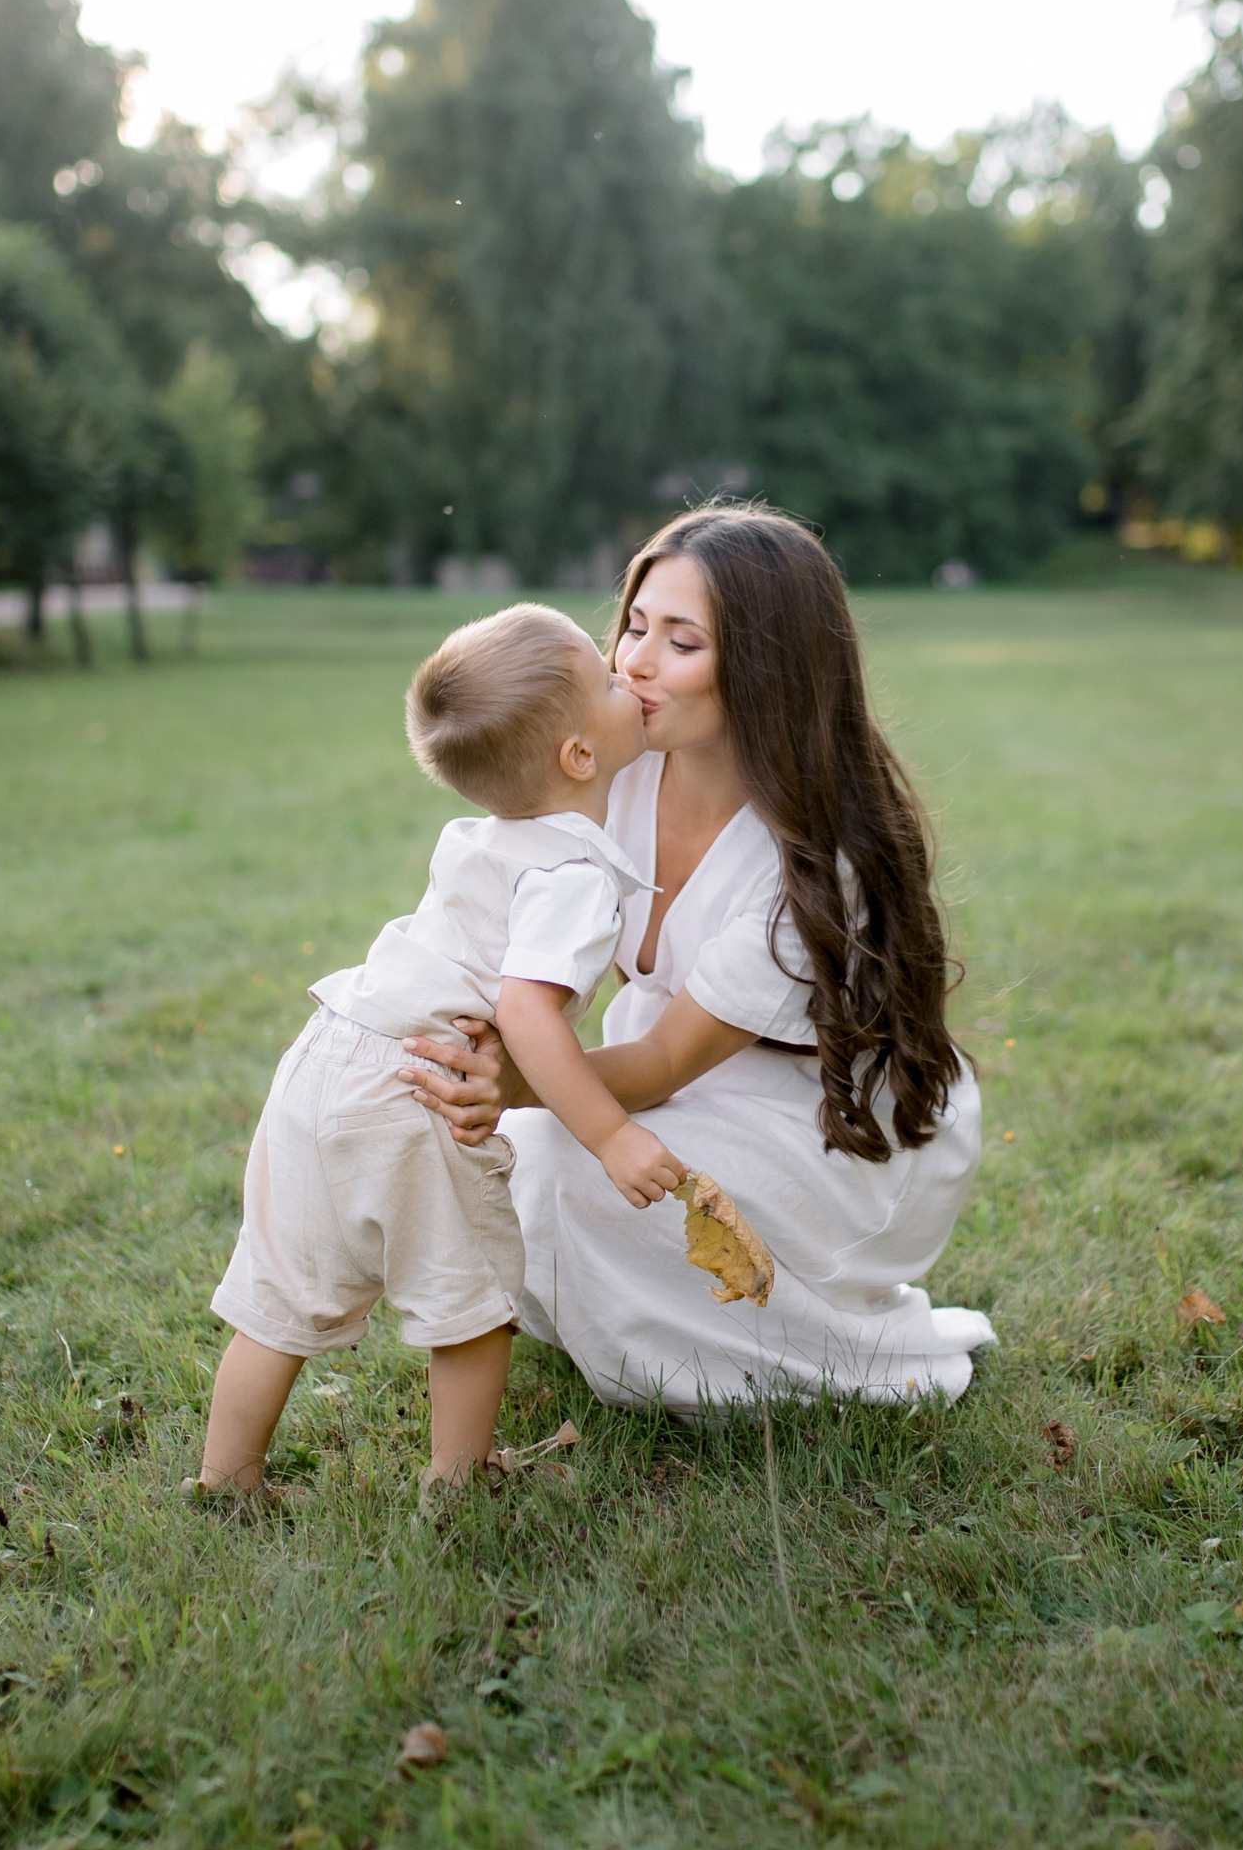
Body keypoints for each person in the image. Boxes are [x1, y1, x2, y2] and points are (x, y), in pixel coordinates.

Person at [410, 506, 992, 1412]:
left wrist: (511, 1085)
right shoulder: (616, 766)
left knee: (561, 1157)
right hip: (679, 1083)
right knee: (513, 1153)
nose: (634, 661)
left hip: (825, 1123)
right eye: (635, 626)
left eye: (681, 642)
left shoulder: (808, 859)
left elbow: (662, 1062)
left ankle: (826, 1355)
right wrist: (476, 1053)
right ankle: (641, 1320)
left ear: (766, 671)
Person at [193, 601, 678, 1502]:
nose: (629, 672)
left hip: (328, 1054)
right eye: (609, 678)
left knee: (283, 1294)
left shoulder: (484, 838)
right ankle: (458, 1484)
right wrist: (610, 1135)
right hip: (417, 1088)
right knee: (473, 1305)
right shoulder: (571, 873)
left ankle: (227, 1479)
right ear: (579, 756)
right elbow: (529, 1016)